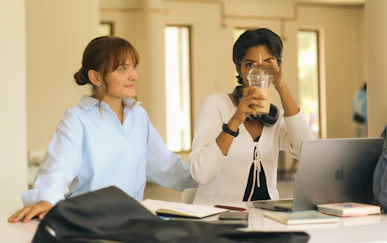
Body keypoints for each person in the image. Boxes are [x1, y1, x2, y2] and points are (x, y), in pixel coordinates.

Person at [8, 36, 197, 223]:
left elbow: (167, 167)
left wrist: (211, 175)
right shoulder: (77, 118)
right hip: (89, 222)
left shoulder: (138, 115)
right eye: (123, 69)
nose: (134, 75)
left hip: (132, 222)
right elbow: (60, 164)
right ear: (95, 77)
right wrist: (47, 198)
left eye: (133, 67)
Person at [189, 28, 313, 204]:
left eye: (267, 64)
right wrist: (235, 120)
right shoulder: (215, 105)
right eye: (249, 65)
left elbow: (305, 149)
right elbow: (201, 174)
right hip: (220, 217)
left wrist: (282, 87)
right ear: (238, 68)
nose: (258, 72)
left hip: (267, 217)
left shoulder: (273, 116)